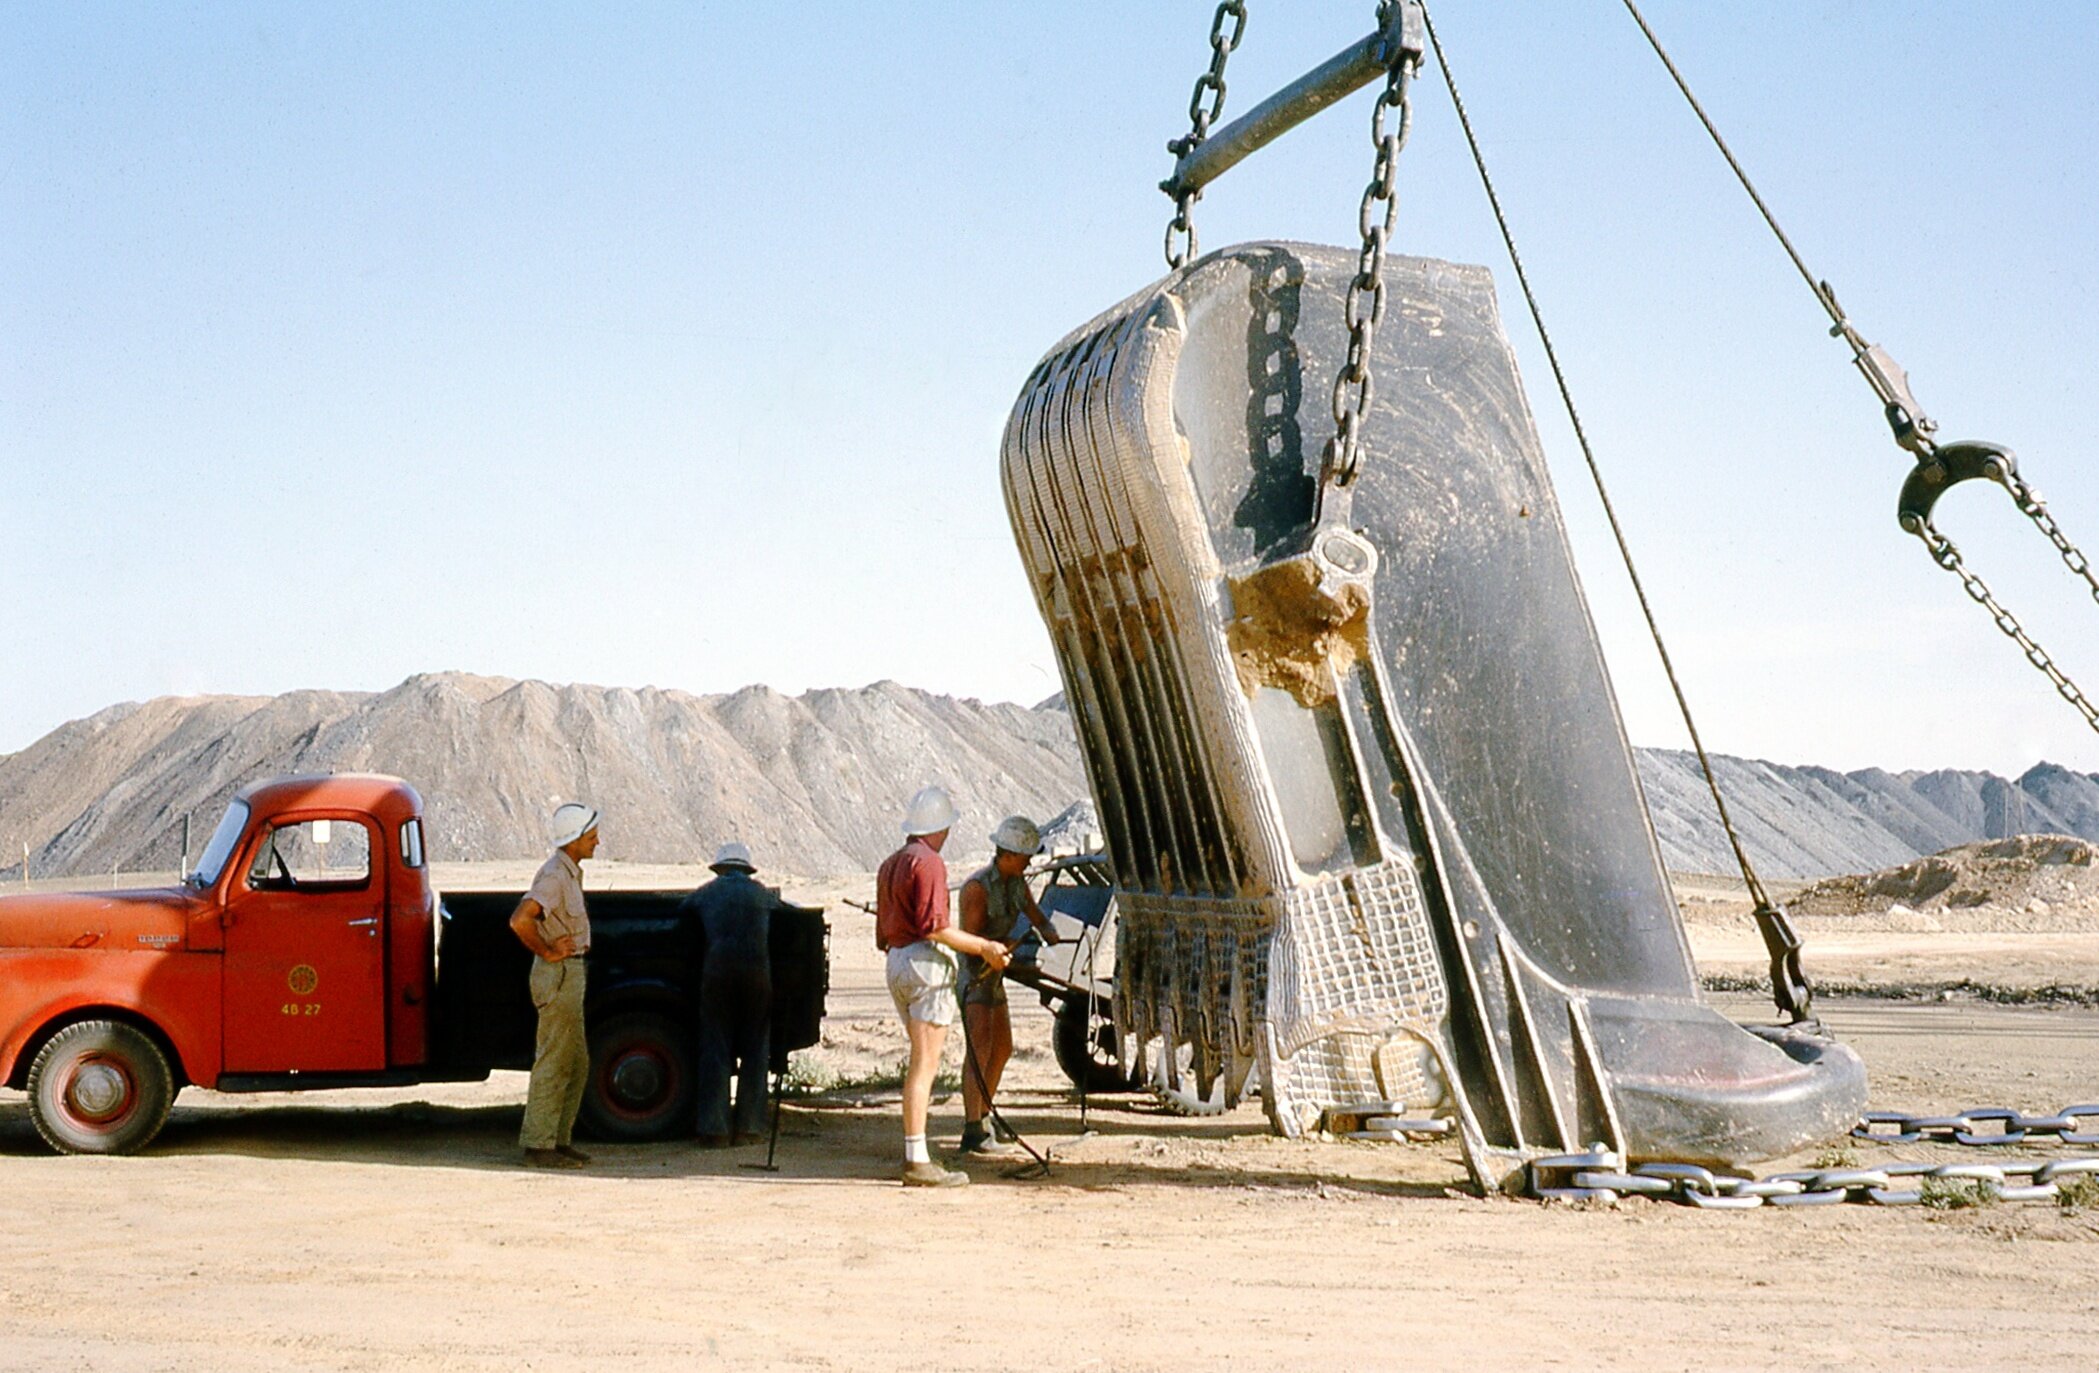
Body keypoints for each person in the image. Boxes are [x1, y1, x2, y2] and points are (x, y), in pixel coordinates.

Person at [876, 784, 1011, 1187]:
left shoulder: (890, 864)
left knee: (919, 1061)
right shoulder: (930, 863)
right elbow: (936, 928)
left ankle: (916, 1151)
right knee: (924, 1065)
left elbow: (882, 932)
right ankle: (916, 1159)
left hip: (896, 961)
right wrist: (985, 946)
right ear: (942, 828)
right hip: (923, 965)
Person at [955, 815, 1061, 1156]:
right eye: (1026, 855)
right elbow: (972, 942)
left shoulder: (1016, 882)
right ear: (1009, 854)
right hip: (976, 977)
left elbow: (1034, 912)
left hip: (996, 975)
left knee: (1001, 1049)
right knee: (980, 1050)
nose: (1030, 861)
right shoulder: (977, 888)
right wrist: (999, 949)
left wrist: (1049, 930)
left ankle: (985, 1116)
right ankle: (973, 1129)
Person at [509, 801, 600, 1170]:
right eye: (591, 836)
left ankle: (557, 1141)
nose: (597, 841)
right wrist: (547, 951)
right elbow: (520, 920)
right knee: (554, 1061)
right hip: (559, 974)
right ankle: (539, 1146)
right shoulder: (554, 876)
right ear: (574, 839)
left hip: (569, 973)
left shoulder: (569, 873)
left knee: (576, 1063)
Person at [683, 840, 778, 1148]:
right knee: (755, 1050)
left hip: (718, 975)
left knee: (715, 1048)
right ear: (747, 870)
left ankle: (715, 1130)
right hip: (757, 977)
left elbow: (683, 909)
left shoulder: (707, 892)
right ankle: (750, 1128)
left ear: (720, 869)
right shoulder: (761, 893)